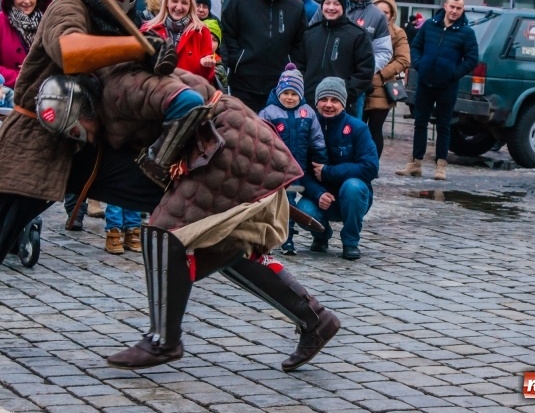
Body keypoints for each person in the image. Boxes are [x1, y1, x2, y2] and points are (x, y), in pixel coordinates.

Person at [0, 0, 175, 349]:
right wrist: (139, 47)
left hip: (94, 146)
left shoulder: (126, 25)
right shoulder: (67, 7)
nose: (120, 0)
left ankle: (167, 328)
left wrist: (157, 62)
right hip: (37, 139)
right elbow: (70, 51)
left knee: (169, 195)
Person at [38, 66, 340, 372]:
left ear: (83, 108)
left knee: (165, 231)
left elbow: (187, 102)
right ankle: (315, 319)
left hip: (226, 141)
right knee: (224, 246)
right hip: (227, 138)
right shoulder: (111, 86)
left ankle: (163, 341)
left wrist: (160, 158)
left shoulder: (121, 86)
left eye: (76, 129)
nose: (80, 137)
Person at [396, 0, 478, 181]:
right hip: (425, 83)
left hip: (447, 86)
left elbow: (472, 59)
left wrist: (454, 73)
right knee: (420, 123)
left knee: (444, 125)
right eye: (452, 7)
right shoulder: (429, 25)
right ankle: (415, 163)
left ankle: (441, 166)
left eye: (458, 8)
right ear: (445, 6)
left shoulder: (466, 32)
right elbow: (416, 46)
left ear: (462, 10)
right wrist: (420, 65)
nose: (454, 11)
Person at [296, 77, 378, 261]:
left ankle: (350, 242)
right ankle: (321, 235)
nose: (328, 105)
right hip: (320, 197)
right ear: (316, 103)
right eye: (324, 99)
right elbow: (300, 171)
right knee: (302, 209)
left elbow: (370, 167)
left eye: (334, 100)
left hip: (352, 196)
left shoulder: (358, 128)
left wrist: (328, 172)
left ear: (343, 103)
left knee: (353, 187)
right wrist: (318, 193)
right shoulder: (306, 128)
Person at [258, 63, 328, 255]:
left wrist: (321, 159)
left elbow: (316, 139)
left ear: (301, 94)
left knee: (289, 204)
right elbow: (260, 139)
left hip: (296, 170)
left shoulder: (307, 112)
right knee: (272, 204)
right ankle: (269, 238)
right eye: (286, 93)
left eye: (294, 94)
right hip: (275, 170)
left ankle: (288, 238)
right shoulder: (269, 112)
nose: (290, 98)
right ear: (279, 92)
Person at [220, 0, 306, 113]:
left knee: (274, 127)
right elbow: (227, 32)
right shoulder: (240, 0)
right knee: (244, 125)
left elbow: (301, 41)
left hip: (281, 84)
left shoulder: (295, 6)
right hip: (244, 82)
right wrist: (237, 59)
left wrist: (292, 65)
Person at [309, 0, 392, 119]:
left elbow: (384, 51)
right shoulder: (329, 6)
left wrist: (361, 72)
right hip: (320, 85)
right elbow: (310, 39)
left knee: (348, 130)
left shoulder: (377, 15)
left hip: (353, 89)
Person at [295, 0, 373, 113]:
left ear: (344, 7)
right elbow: (299, 65)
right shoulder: (309, 33)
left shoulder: (357, 35)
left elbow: (365, 71)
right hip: (309, 104)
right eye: (327, 3)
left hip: (342, 106)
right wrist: (305, 88)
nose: (331, 8)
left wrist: (345, 93)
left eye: (336, 4)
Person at [364, 0, 411, 158]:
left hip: (382, 88)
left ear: (392, 15)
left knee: (375, 129)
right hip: (361, 84)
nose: (381, 15)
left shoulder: (398, 33)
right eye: (378, 11)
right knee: (358, 127)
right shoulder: (364, 27)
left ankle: (373, 164)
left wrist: (381, 73)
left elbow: (403, 59)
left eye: (385, 12)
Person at [143, 0, 215, 83]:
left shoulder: (202, 32)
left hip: (189, 90)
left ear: (190, 6)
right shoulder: (149, 29)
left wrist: (206, 66)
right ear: (166, 2)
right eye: (174, 1)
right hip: (157, 89)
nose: (179, 7)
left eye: (184, 3)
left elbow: (208, 78)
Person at [203, 18, 228, 90]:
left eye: (214, 40)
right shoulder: (187, 59)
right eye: (206, 37)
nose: (210, 43)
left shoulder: (220, 68)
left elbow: (223, 92)